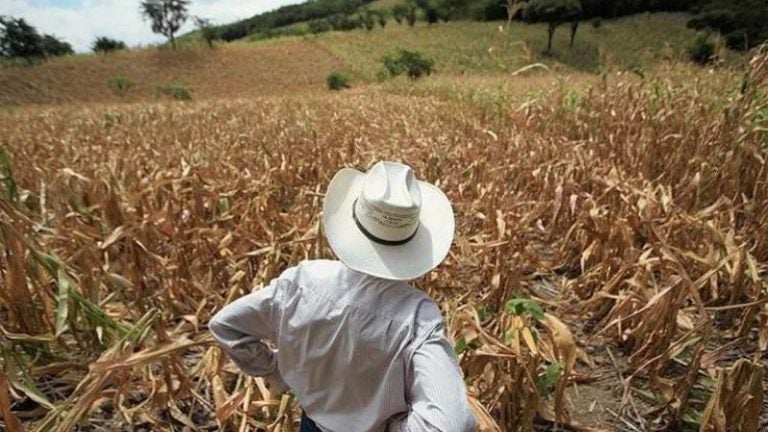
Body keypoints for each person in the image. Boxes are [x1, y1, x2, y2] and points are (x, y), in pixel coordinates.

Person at [209, 161, 477, 432]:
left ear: (355, 221)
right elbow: (449, 425)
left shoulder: (301, 282)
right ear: (413, 238)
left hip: (312, 424)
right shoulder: (417, 318)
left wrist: (276, 371)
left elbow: (227, 326)